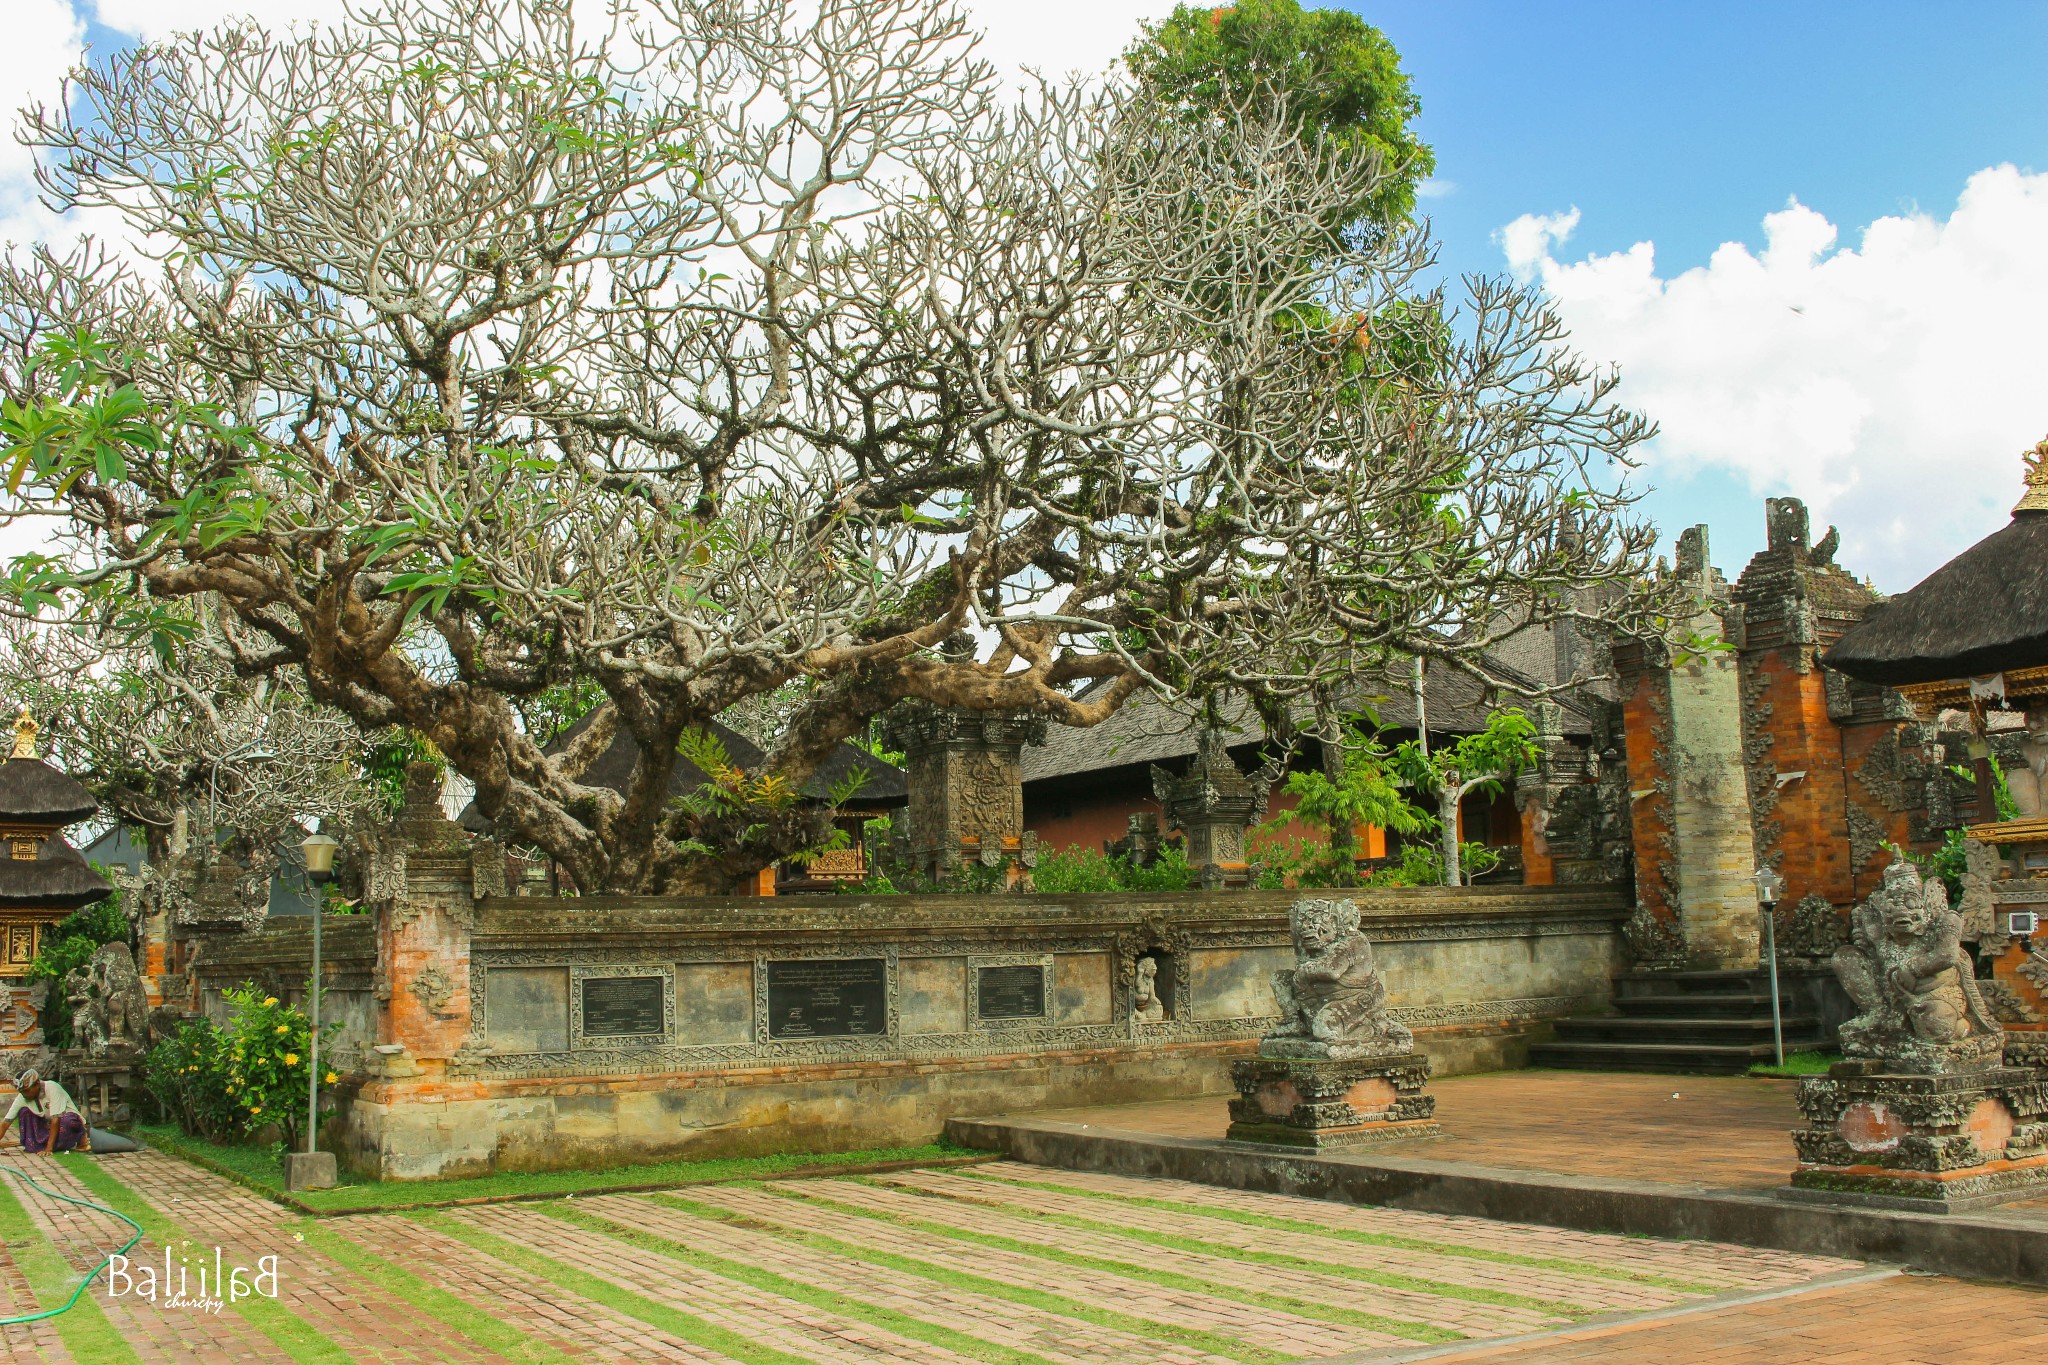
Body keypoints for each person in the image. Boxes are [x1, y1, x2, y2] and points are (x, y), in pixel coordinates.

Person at [0, 1070, 89, 1154]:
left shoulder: (52, 1087)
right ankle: (38, 1145)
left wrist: (48, 1149)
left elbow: (56, 1120)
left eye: (27, 1091)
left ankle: (75, 1141)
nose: (25, 1095)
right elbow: (6, 1122)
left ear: (37, 1084)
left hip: (67, 1124)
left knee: (68, 1120)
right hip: (48, 1127)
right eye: (22, 1092)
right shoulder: (22, 1097)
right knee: (24, 1112)